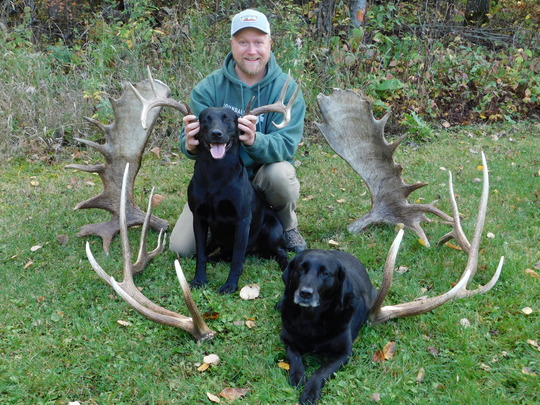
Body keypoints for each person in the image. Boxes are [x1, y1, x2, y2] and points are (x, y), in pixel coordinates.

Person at [169, 9, 307, 256]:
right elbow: (191, 137)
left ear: (270, 44)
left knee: (281, 175)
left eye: (258, 42)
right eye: (243, 42)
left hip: (263, 178)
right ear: (232, 44)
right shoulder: (208, 88)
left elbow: (286, 145)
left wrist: (255, 140)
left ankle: (286, 227)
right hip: (220, 181)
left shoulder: (285, 89)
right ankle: (216, 224)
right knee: (181, 248)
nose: (251, 51)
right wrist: (188, 145)